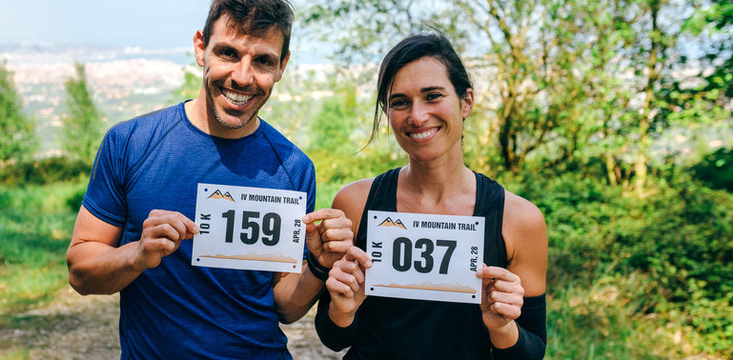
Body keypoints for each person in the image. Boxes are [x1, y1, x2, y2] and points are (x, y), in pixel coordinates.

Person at [66, 1, 353, 359]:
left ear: (282, 66)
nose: (243, 77)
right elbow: (80, 273)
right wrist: (136, 254)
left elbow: (285, 306)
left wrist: (319, 264)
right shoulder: (131, 143)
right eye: (229, 53)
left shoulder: (294, 167)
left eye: (263, 60)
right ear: (201, 48)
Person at [314, 33, 548, 359]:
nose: (417, 116)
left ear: (466, 102)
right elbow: (332, 337)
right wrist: (343, 310)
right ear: (387, 112)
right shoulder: (355, 203)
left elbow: (532, 351)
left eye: (433, 96)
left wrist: (503, 329)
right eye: (400, 102)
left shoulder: (520, 220)